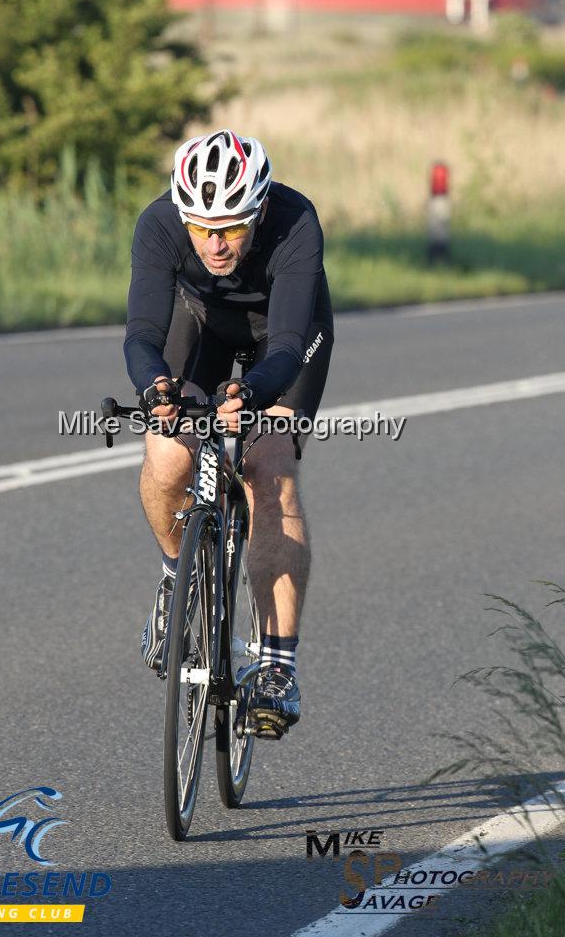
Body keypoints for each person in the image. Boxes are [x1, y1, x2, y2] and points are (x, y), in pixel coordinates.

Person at [123, 129, 333, 738]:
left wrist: (253, 395)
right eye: (202, 227)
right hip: (201, 325)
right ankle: (174, 581)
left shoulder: (295, 221)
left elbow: (292, 345)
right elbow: (142, 332)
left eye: (233, 229)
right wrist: (156, 389)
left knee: (271, 471)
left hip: (284, 339)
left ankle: (276, 668)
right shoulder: (160, 223)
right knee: (167, 458)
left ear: (260, 208)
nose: (216, 244)